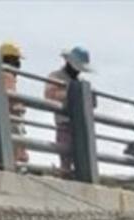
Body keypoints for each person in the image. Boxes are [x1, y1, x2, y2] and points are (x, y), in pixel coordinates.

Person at [44, 46, 93, 175]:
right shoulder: (55, 76)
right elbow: (50, 95)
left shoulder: (80, 81)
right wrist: (72, 94)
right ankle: (65, 172)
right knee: (65, 153)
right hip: (64, 122)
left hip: (80, 124)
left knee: (82, 155)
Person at [0, 41, 29, 167]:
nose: (18, 64)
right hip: (12, 118)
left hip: (10, 118)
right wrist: (21, 105)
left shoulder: (1, 73)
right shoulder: (6, 75)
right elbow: (10, 98)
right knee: (18, 149)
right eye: (16, 60)